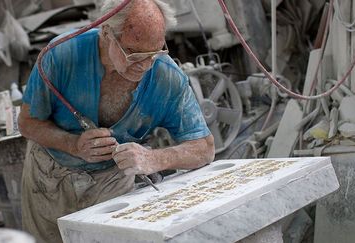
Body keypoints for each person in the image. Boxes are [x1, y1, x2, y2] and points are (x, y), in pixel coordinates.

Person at [18, 0, 215, 242]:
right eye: (133, 53)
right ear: (106, 33)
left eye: (154, 52)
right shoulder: (61, 54)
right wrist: (73, 145)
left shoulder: (166, 76)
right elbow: (27, 123)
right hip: (50, 175)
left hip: (112, 178)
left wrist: (153, 159)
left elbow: (204, 148)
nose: (144, 65)